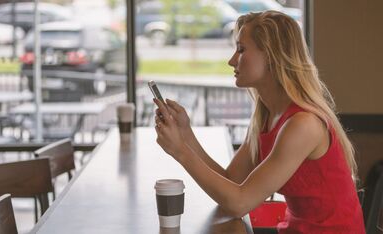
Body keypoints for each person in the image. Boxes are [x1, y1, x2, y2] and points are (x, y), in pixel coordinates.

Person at [153, 10, 365, 234]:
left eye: (241, 50)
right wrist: (186, 136)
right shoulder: (266, 116)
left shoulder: (303, 124)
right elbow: (231, 180)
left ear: (272, 56)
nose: (232, 60)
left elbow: (239, 203)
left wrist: (181, 152)